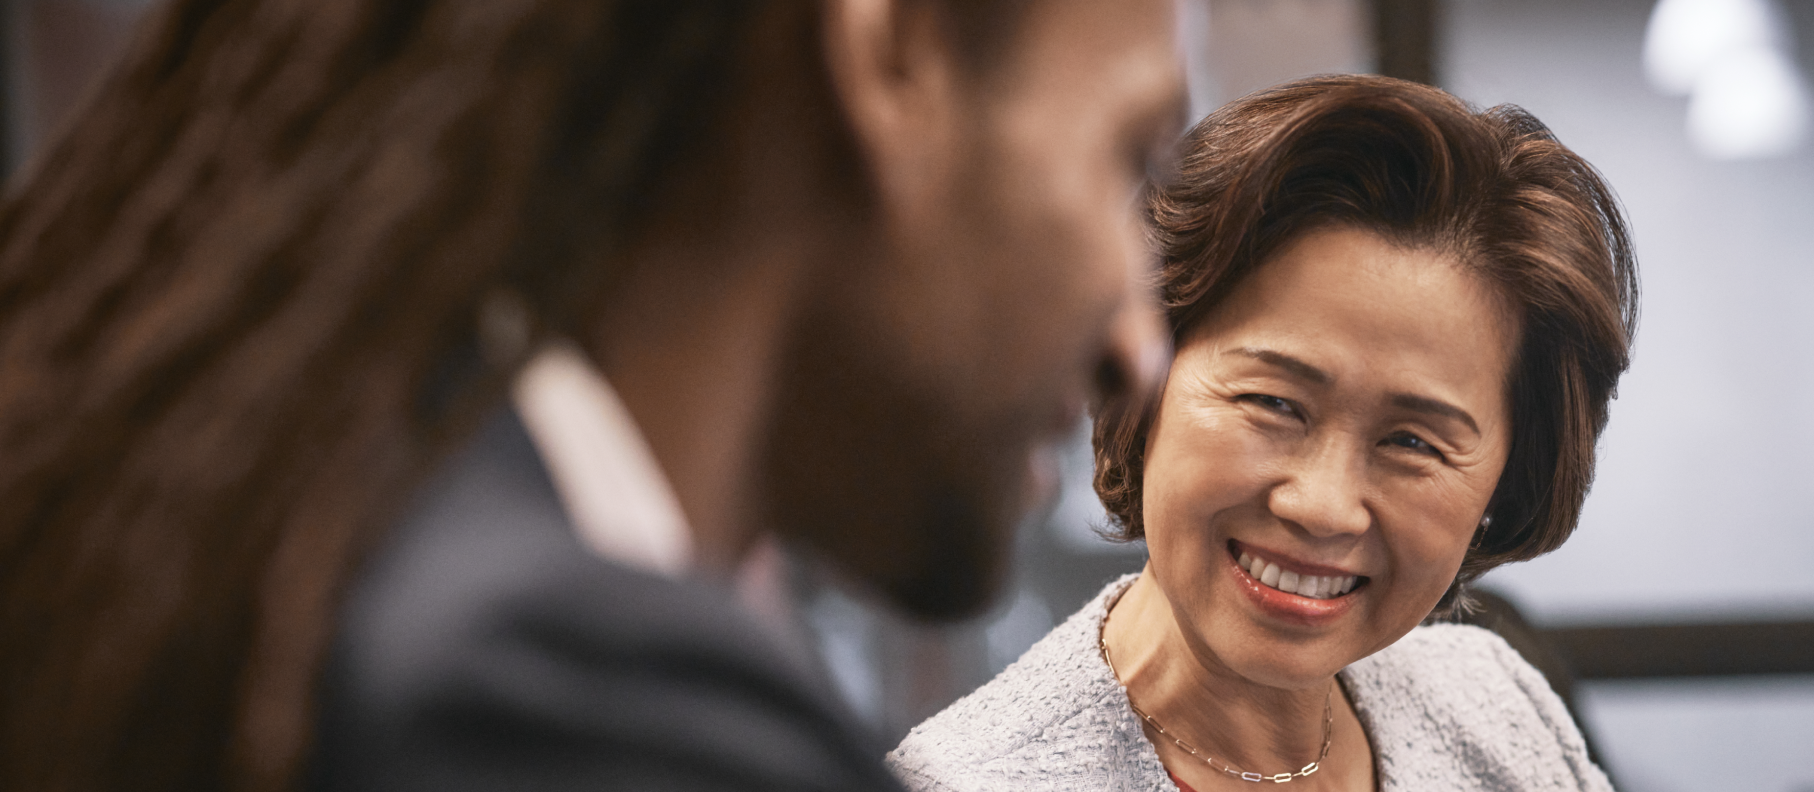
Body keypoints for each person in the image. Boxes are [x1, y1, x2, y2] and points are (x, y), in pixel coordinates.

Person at [0, 1, 1189, 790]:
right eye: (1122, 156)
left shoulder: (286, 555)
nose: (1141, 349)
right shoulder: (579, 707)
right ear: (892, 60)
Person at [889, 74, 1637, 792]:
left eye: (1412, 443)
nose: (1322, 506)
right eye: (1275, 403)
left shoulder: (1494, 707)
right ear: (1144, 382)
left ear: (1507, 484)